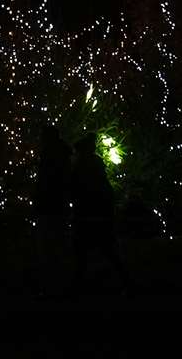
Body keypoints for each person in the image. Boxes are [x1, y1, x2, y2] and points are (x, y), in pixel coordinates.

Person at [70, 132, 130, 294]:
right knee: (107, 249)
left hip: (88, 214)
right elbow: (106, 191)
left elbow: (75, 189)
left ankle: (80, 285)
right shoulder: (96, 166)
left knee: (84, 251)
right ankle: (123, 281)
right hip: (99, 213)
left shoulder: (81, 167)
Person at [30, 125, 71, 297]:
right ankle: (59, 284)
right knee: (57, 245)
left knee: (49, 246)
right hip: (57, 206)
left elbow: (46, 182)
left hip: (49, 206)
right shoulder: (62, 155)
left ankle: (52, 286)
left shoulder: (50, 157)